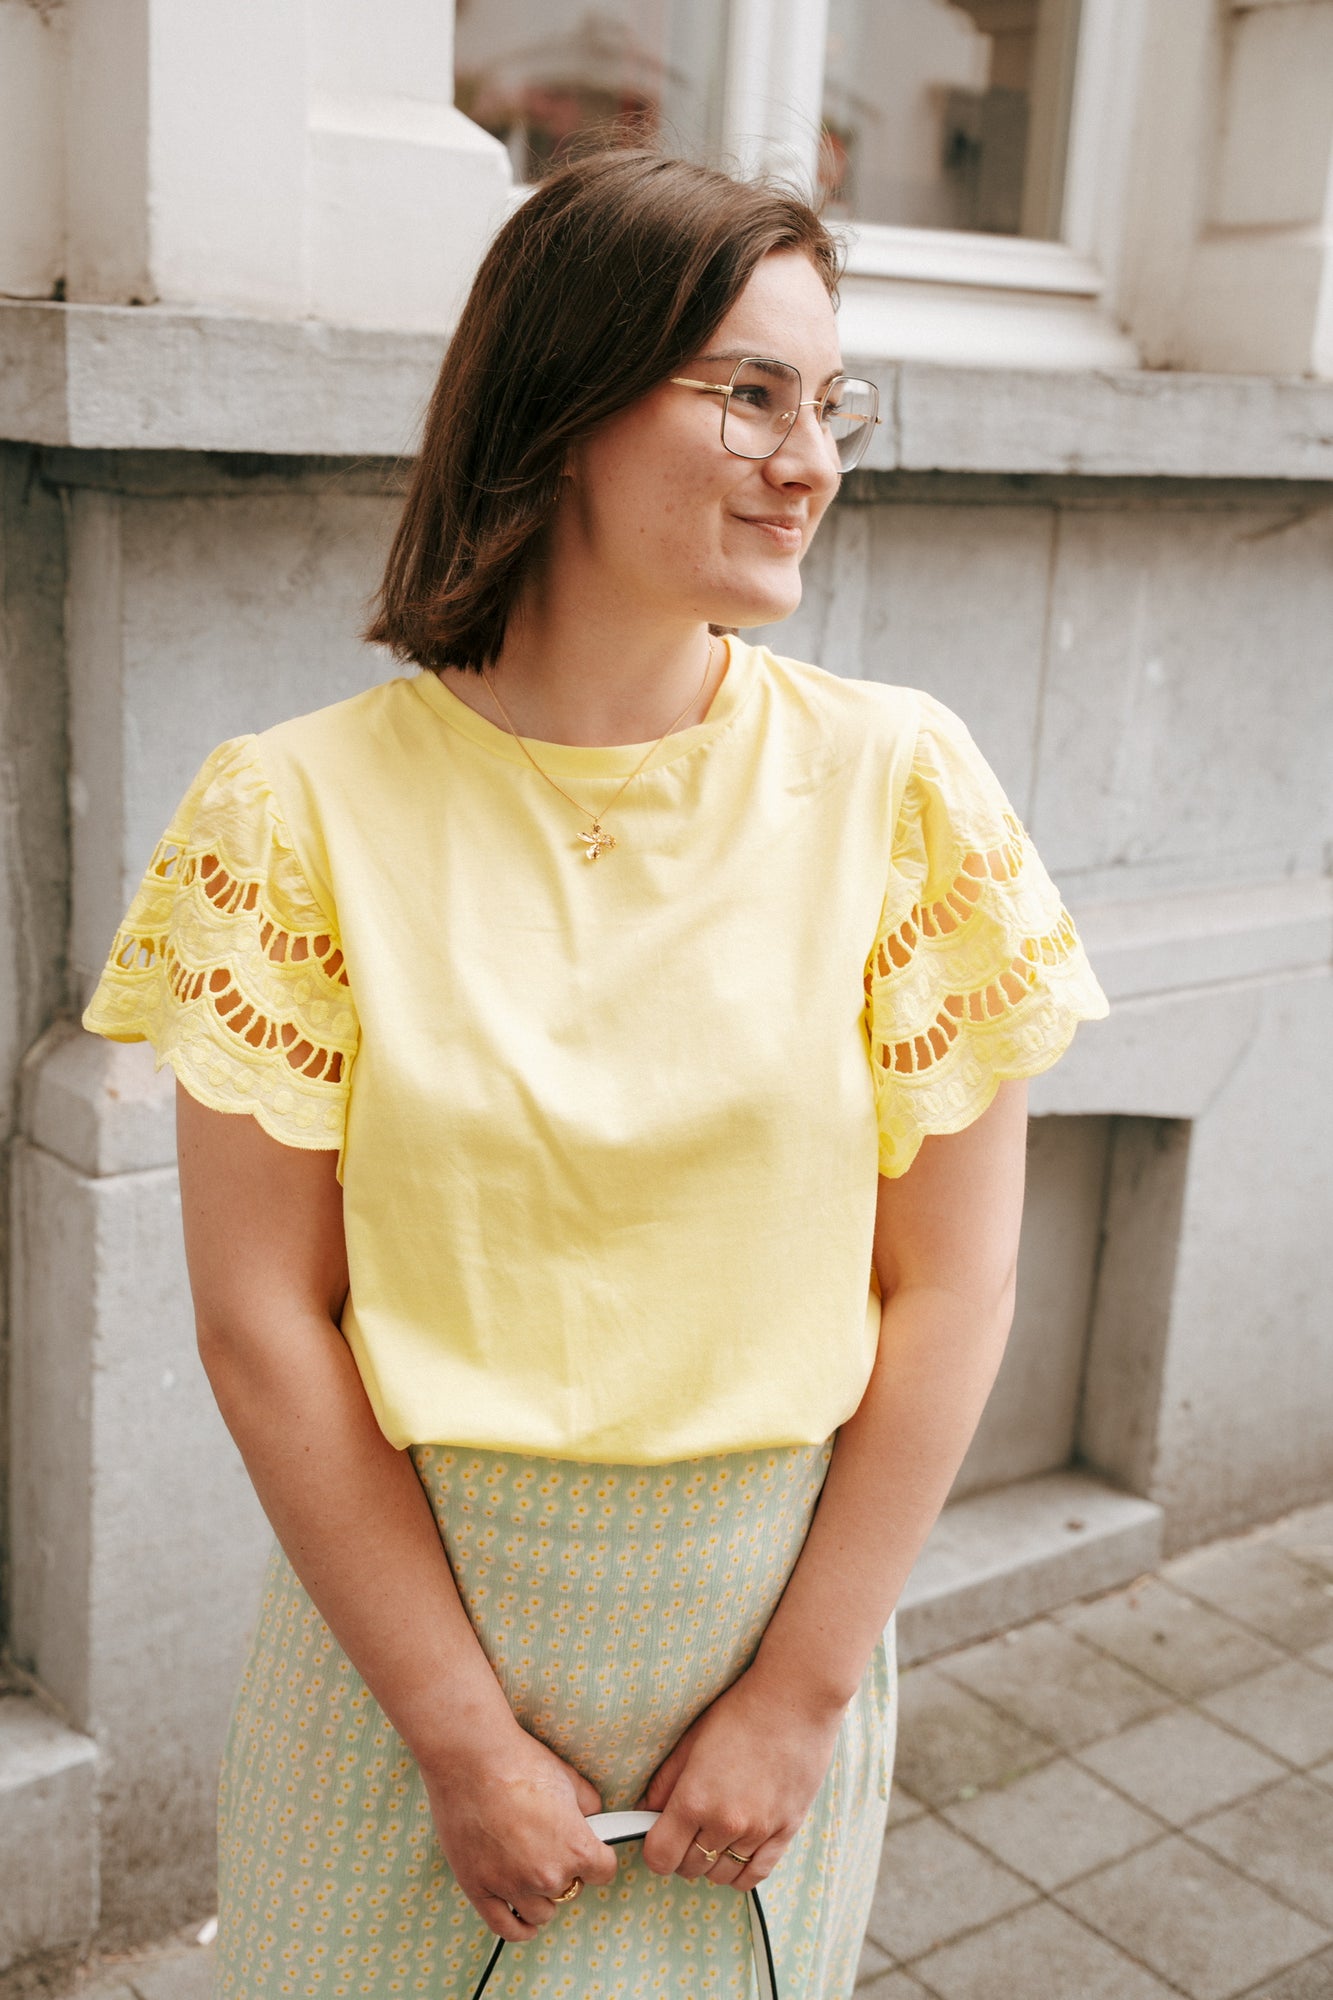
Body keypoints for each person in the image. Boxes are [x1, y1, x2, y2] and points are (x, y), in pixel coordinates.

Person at [81, 149, 1110, 2000]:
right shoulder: (294, 810)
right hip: (402, 1671)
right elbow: (263, 1319)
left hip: (767, 1669)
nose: (810, 462)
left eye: (832, 404)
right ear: (562, 404)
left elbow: (952, 1282)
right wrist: (462, 1740)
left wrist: (796, 1701)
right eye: (750, 394)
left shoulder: (899, 787)